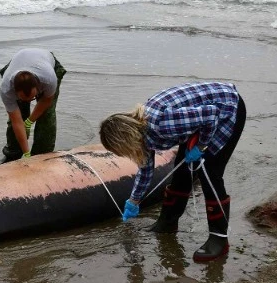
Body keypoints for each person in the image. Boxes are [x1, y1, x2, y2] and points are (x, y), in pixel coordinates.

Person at [99, 82, 246, 262]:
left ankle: (219, 240)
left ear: (125, 139)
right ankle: (167, 223)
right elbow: (146, 169)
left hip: (227, 109)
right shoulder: (141, 132)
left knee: (210, 173)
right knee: (183, 171)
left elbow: (211, 114)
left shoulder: (163, 123)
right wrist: (134, 200)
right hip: (198, 120)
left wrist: (201, 145)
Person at [0, 48, 66, 162]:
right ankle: (13, 154)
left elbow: (45, 101)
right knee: (18, 116)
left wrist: (29, 122)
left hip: (46, 62)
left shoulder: (49, 79)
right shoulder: (6, 89)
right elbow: (16, 121)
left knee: (46, 116)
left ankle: (42, 156)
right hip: (16, 64)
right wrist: (26, 153)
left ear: (39, 86)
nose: (30, 101)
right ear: (14, 91)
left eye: (33, 97)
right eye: (24, 99)